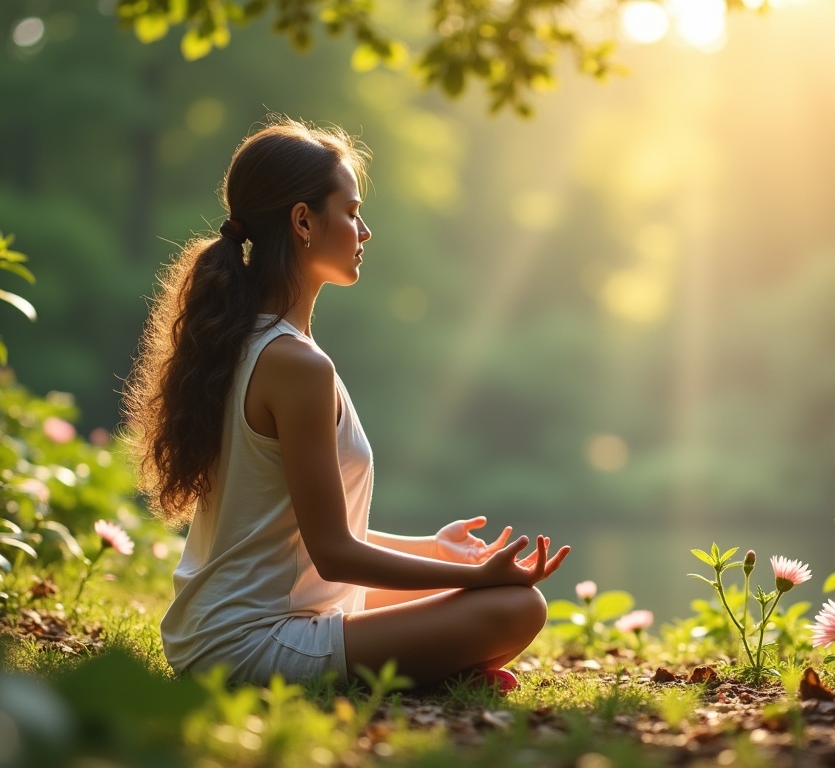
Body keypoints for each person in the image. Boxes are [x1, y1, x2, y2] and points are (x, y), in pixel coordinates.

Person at [123, 118, 569, 692]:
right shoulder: (296, 366)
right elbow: (335, 554)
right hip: (248, 643)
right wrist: (479, 577)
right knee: (516, 607)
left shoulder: (251, 342)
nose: (365, 231)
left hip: (230, 628)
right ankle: (431, 670)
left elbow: (308, 535)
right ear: (303, 221)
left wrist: (436, 550)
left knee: (479, 592)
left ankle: (431, 666)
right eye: (352, 211)